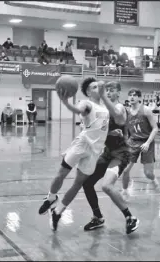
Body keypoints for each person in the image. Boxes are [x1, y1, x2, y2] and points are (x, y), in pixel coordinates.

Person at [38, 77, 110, 231]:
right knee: (61, 174)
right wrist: (65, 102)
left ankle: (58, 212)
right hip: (81, 144)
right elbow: (78, 110)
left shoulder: (106, 108)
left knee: (78, 184)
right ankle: (51, 197)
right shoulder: (87, 104)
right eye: (93, 87)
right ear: (88, 92)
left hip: (95, 151)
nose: (97, 88)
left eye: (98, 86)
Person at [81, 81, 139, 234]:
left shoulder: (119, 107)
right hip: (108, 153)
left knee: (106, 186)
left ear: (119, 93)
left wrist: (103, 98)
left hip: (121, 154)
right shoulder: (103, 110)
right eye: (106, 90)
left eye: (112, 90)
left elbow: (119, 119)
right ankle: (97, 217)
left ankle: (130, 218)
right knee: (86, 183)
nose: (108, 93)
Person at [121, 88, 160, 199]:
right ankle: (124, 191)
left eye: (134, 95)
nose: (132, 97)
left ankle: (153, 179)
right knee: (125, 169)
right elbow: (126, 130)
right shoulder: (127, 112)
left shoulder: (146, 110)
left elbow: (155, 128)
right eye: (130, 95)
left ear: (139, 98)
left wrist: (147, 143)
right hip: (133, 141)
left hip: (147, 142)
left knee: (148, 173)